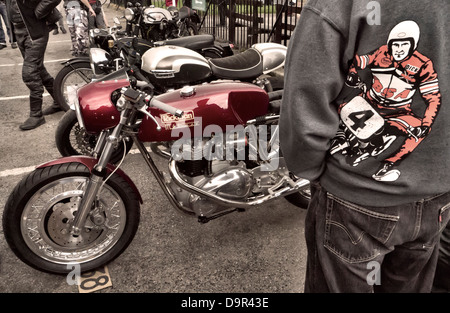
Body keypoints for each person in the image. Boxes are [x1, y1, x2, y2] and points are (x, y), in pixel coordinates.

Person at [280, 0, 449, 292]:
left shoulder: (421, 66)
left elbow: (305, 98)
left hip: (358, 197)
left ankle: (387, 163)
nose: (397, 51)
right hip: (436, 199)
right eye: (395, 45)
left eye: (403, 46)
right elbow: (361, 62)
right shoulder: (381, 53)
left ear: (412, 45)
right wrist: (357, 74)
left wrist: (312, 169)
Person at [6, 0, 63, 130]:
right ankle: (59, 101)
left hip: (34, 31)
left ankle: (36, 115)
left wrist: (39, 12)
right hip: (19, 31)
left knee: (30, 73)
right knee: (38, 69)